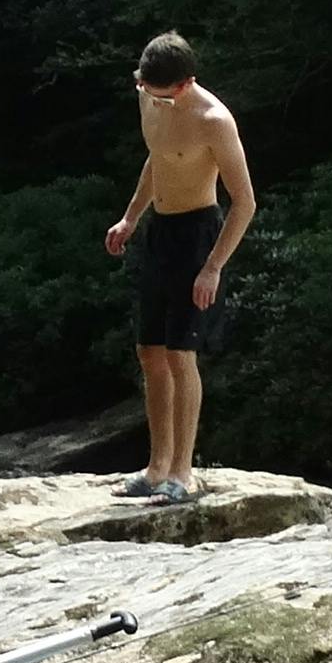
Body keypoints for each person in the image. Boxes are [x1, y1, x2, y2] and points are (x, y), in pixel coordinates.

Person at [101, 30, 252, 503]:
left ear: (185, 85)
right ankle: (155, 467)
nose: (151, 99)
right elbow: (158, 158)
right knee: (150, 352)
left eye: (161, 94)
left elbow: (244, 203)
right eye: (145, 89)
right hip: (160, 231)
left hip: (198, 237)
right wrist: (130, 217)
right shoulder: (148, 95)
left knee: (181, 354)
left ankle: (182, 475)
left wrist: (213, 268)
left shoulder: (214, 120)